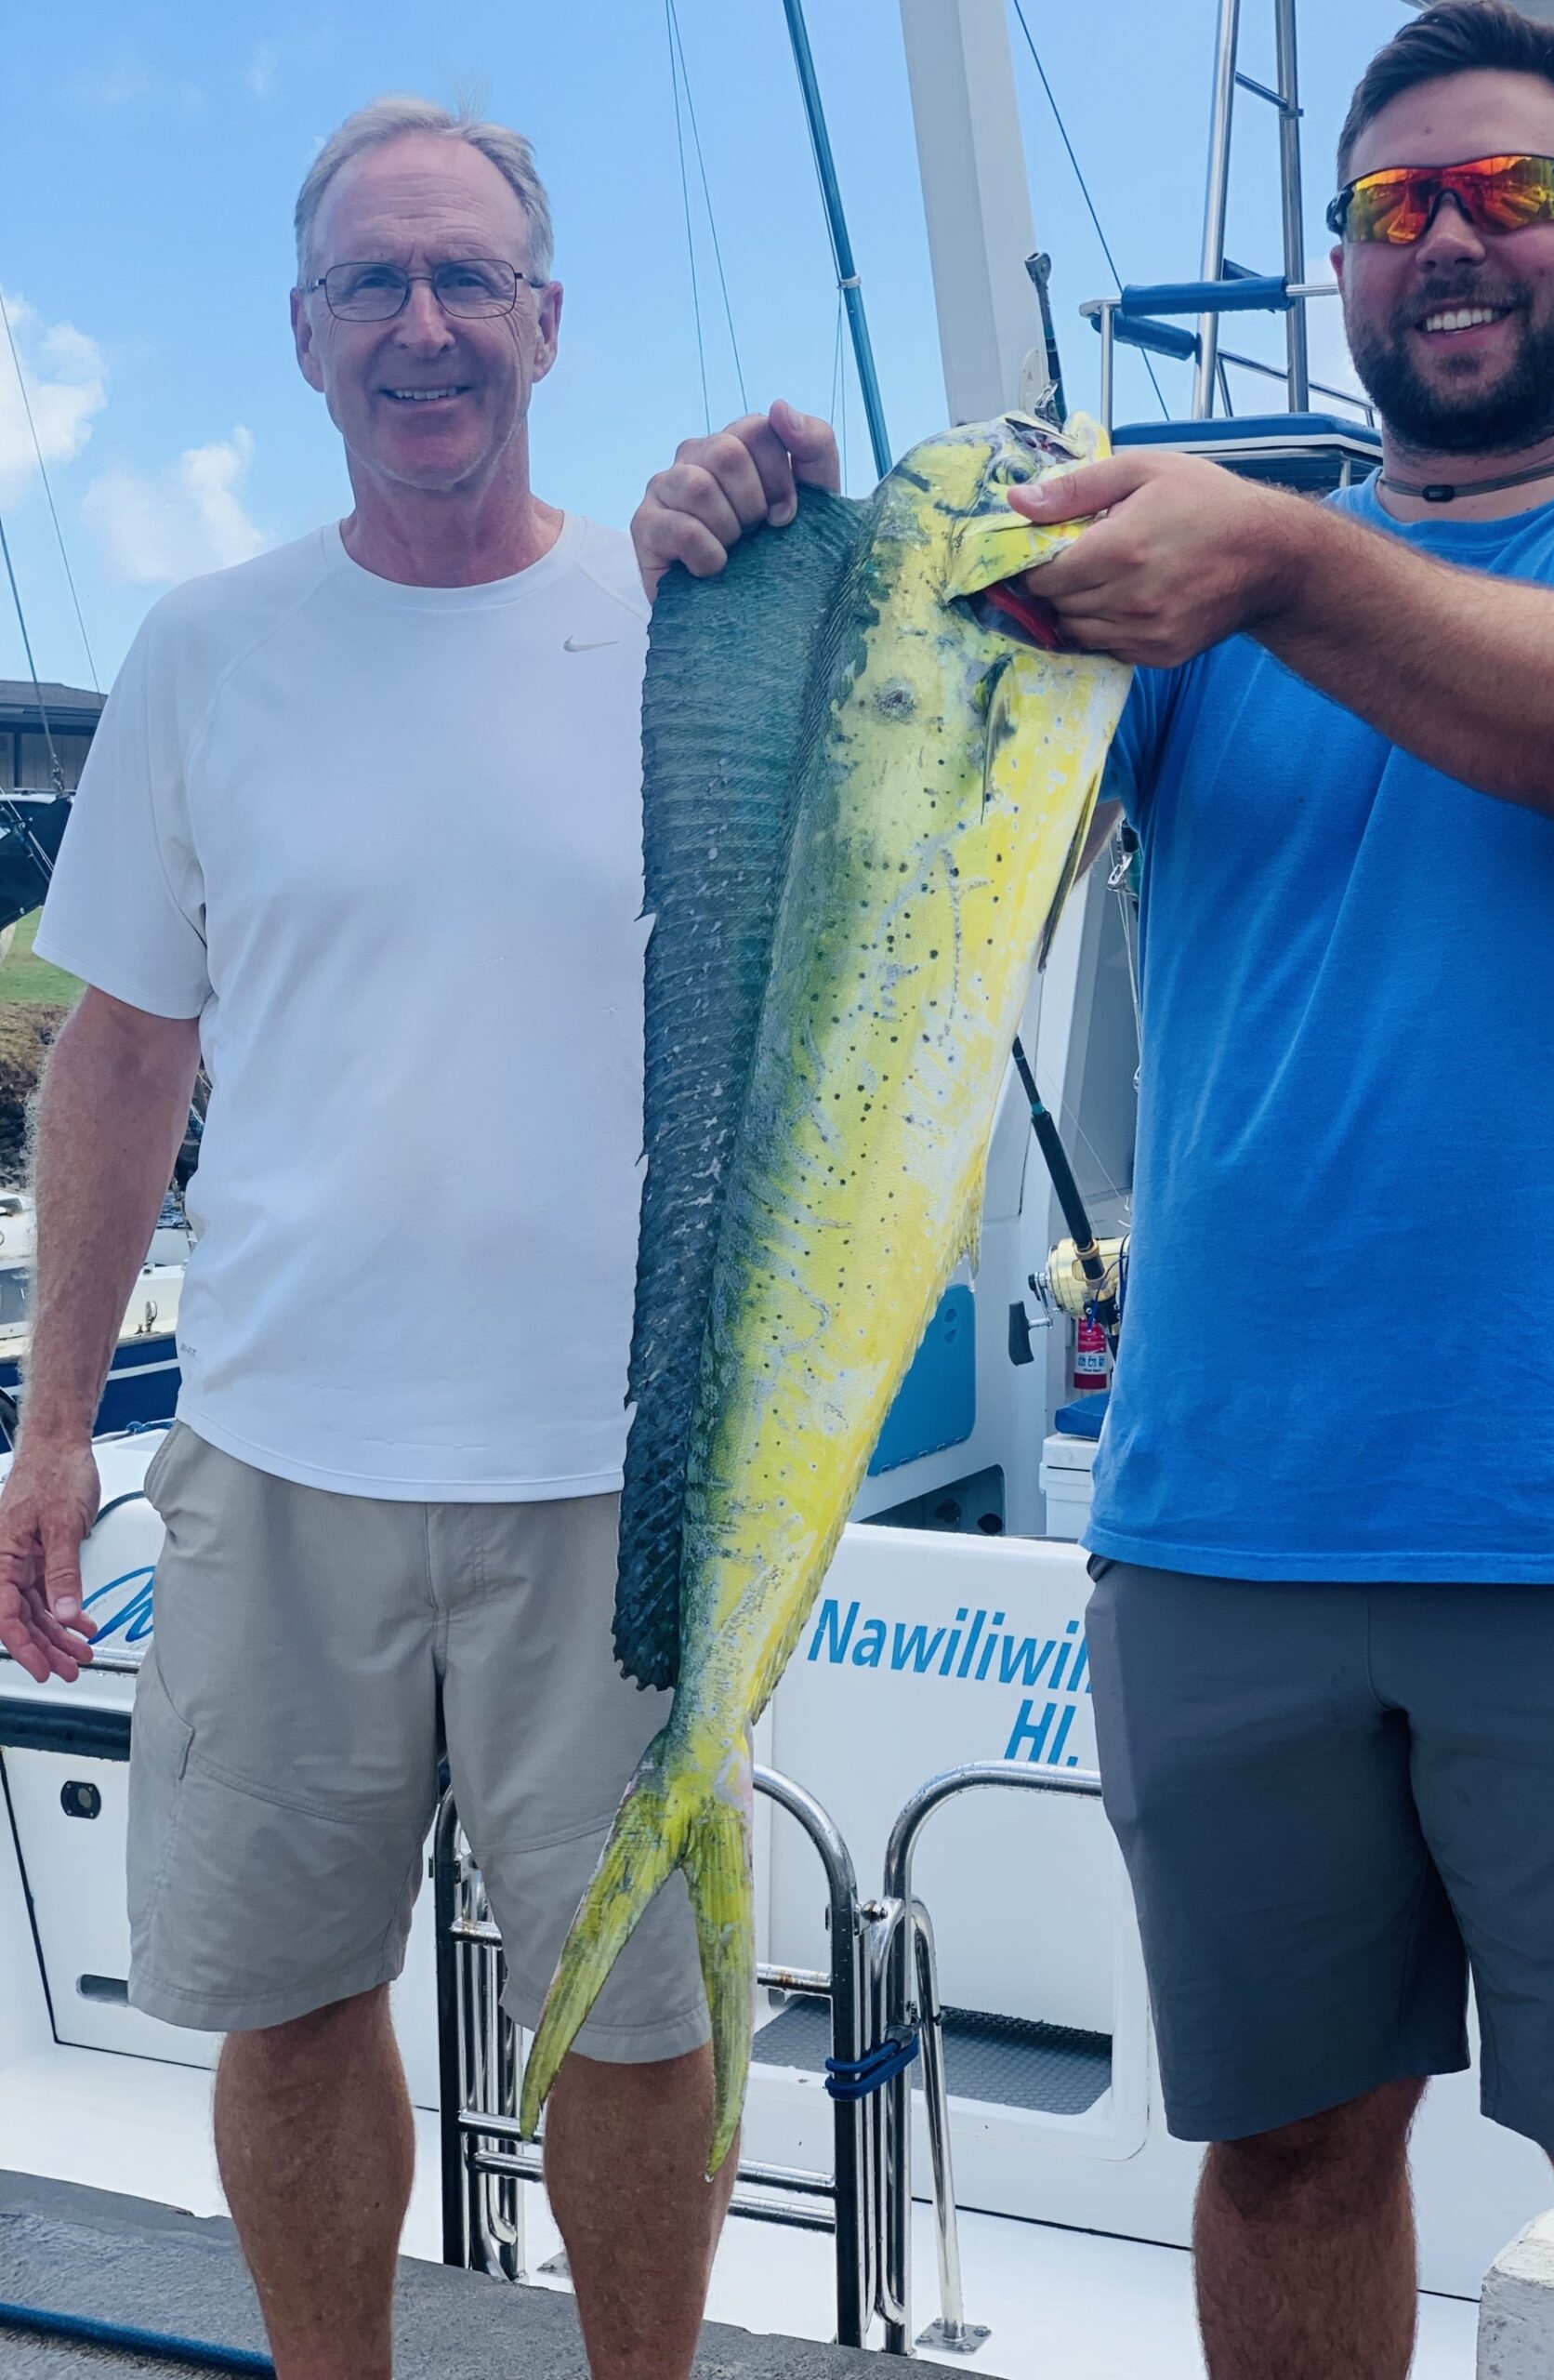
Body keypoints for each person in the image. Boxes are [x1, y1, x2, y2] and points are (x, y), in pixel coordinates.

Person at [633, 6, 1554, 2375]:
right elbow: (909, 775)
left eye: (1510, 194)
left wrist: (1270, 559)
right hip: (1219, 1525)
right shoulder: (1189, 607)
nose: (1446, 243)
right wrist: (758, 567)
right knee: (1278, 2156)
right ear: (1350, 269)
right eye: (1392, 209)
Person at [0, 98, 731, 2380]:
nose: (423, 326)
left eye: (466, 279)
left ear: (545, 320)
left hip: (620, 1478)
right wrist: (48, 1436)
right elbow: (124, 1051)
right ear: (305, 337)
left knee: (636, 2015)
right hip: (278, 1458)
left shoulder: (683, 620)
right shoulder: (210, 649)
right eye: (370, 286)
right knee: (292, 1997)